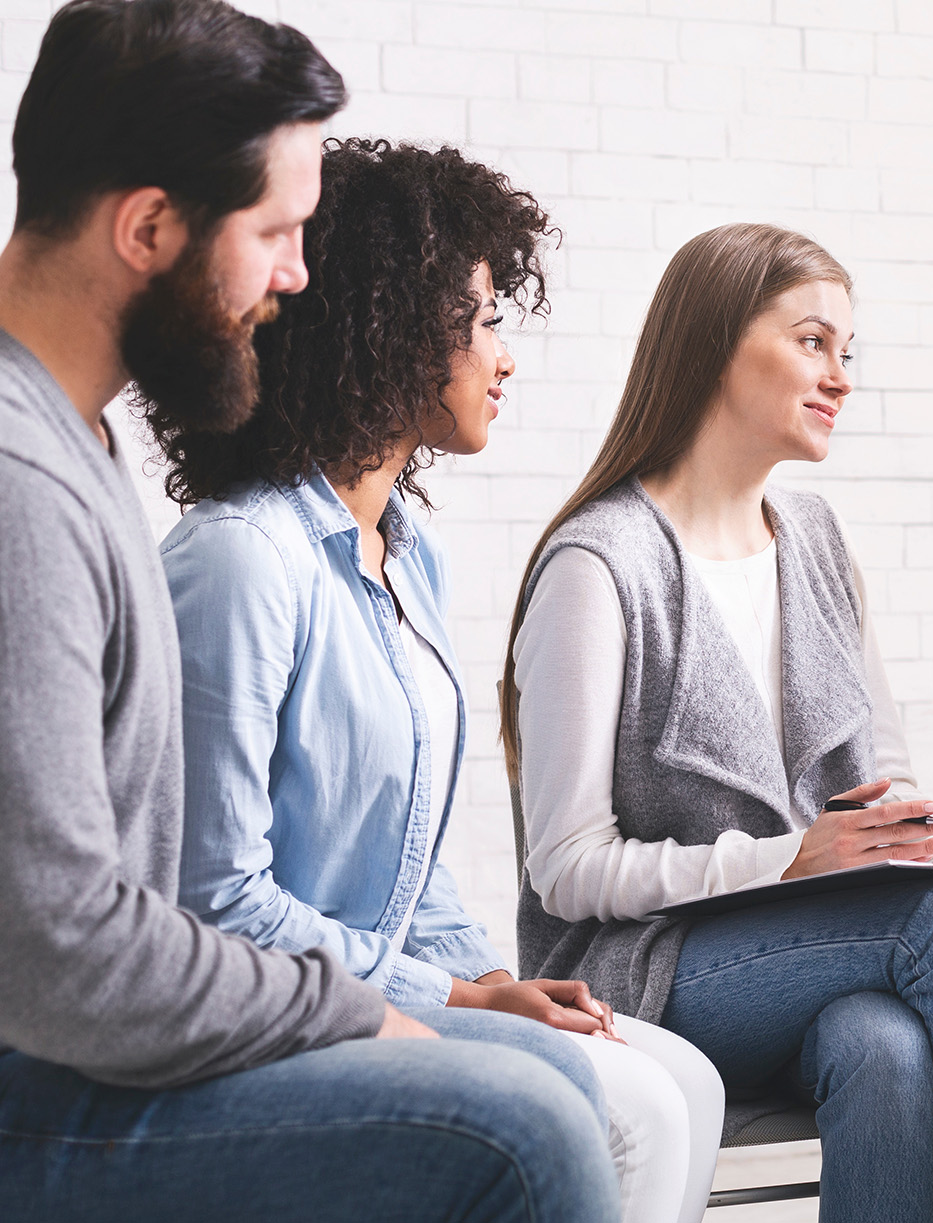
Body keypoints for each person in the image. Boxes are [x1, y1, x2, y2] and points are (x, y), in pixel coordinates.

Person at [0, 3, 618, 1220]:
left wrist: (428, 991)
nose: (295, 275)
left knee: (540, 1083)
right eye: (278, 231)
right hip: (40, 1083)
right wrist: (359, 1007)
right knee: (519, 1129)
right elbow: (62, 951)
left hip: (74, 1054)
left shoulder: (68, 443)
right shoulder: (25, 485)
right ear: (149, 228)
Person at [153, 138, 722, 1223]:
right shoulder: (240, 561)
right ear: (392, 327)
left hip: (384, 982)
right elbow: (214, 899)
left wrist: (495, 980)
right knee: (631, 1109)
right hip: (266, 1010)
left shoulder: (407, 555)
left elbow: (411, 866)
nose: (503, 358)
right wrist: (459, 995)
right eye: (484, 319)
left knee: (683, 1079)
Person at [504, 221, 933, 1223]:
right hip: (642, 970)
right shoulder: (598, 565)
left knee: (887, 1047)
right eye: (811, 341)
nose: (840, 377)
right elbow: (565, 866)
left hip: (825, 951)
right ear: (713, 345)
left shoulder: (815, 539)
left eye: (846, 351)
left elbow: (887, 791)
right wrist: (785, 860)